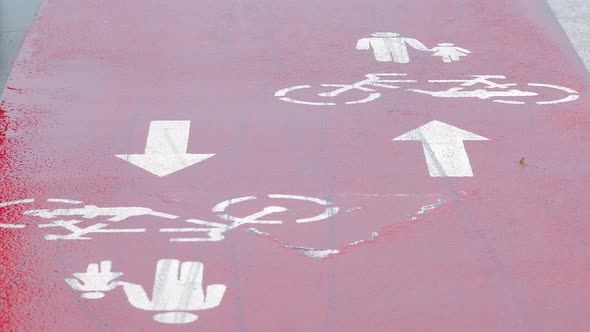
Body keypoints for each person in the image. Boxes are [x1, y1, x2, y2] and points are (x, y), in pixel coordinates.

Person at [356, 32, 428, 63]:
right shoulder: (402, 38)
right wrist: (424, 49)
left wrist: (362, 47)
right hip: (399, 53)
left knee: (383, 59)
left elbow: (361, 45)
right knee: (400, 59)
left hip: (381, 53)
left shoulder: (370, 39)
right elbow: (413, 41)